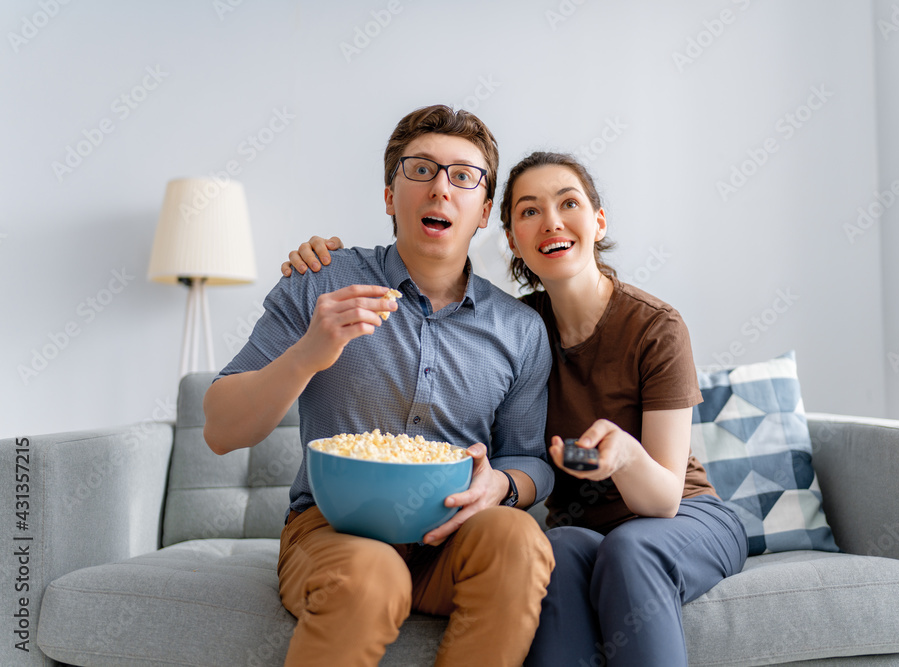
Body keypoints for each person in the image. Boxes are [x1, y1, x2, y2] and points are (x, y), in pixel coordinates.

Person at [283, 151, 749, 666]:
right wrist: (316, 260)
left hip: (681, 514)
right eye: (529, 211)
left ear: (598, 221)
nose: (550, 221)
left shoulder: (656, 327)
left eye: (568, 203)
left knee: (629, 550)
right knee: (558, 550)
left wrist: (624, 458)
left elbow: (663, 500)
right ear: (512, 240)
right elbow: (518, 456)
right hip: (585, 529)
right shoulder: (515, 329)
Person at [204, 105, 556, 667]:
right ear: (391, 196)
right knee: (373, 575)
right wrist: (308, 354)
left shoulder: (520, 329)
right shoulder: (322, 281)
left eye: (463, 176)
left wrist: (502, 488)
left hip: (455, 535)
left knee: (520, 541)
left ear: (485, 209)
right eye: (420, 169)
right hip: (332, 532)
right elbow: (221, 430)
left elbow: (531, 460)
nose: (441, 188)